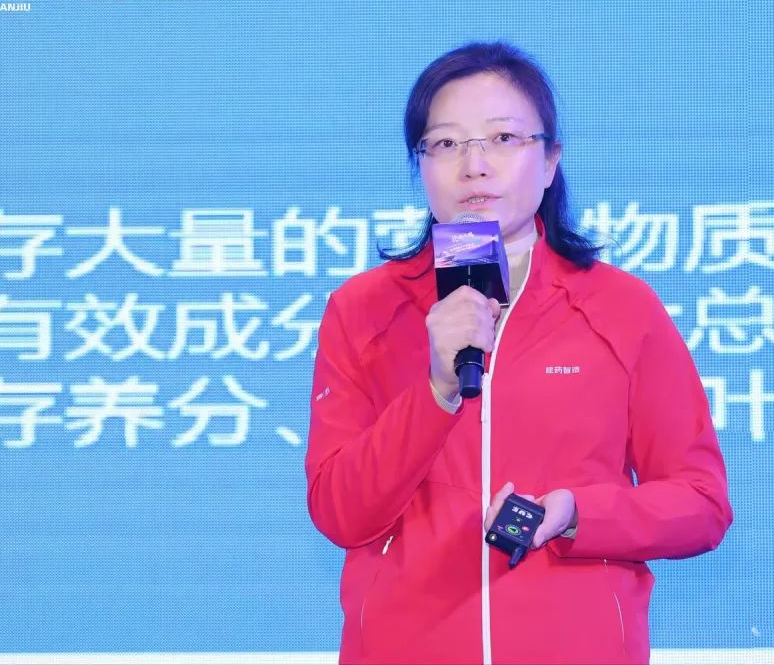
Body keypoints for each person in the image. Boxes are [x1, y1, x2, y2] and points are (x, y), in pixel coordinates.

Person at [306, 41, 732, 664]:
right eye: (445, 143)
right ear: (420, 164)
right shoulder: (363, 311)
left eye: (503, 138)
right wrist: (435, 391)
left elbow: (701, 503)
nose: (474, 166)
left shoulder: (620, 309)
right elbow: (339, 512)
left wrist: (579, 514)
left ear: (551, 159)